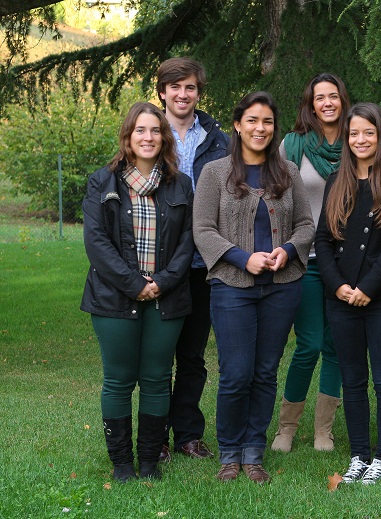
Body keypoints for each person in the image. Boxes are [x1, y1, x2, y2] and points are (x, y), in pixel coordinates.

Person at [193, 91, 314, 483]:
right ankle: (229, 452)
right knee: (235, 373)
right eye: (252, 121)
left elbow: (307, 225)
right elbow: (202, 231)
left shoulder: (288, 172)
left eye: (267, 122)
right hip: (232, 286)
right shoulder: (214, 172)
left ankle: (253, 451)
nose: (260, 128)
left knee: (265, 371)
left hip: (283, 285)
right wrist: (242, 257)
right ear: (237, 125)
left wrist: (290, 250)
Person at [82, 102, 194, 482]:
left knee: (157, 377)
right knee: (118, 378)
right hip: (114, 298)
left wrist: (161, 282)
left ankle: (148, 462)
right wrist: (134, 284)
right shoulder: (103, 182)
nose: (148, 137)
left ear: (164, 137)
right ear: (128, 137)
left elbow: (187, 241)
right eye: (140, 130)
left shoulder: (180, 184)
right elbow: (96, 243)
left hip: (167, 297)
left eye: (155, 131)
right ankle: (122, 465)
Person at [315, 102, 381, 484]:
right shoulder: (335, 179)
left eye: (368, 133)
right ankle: (359, 454)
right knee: (352, 379)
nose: (360, 139)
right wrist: (338, 285)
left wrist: (367, 288)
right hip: (339, 298)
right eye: (354, 133)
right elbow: (323, 240)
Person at [271, 73, 351, 453]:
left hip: (345, 260)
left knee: (336, 345)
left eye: (333, 96)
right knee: (309, 343)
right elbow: (274, 196)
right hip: (304, 258)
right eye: (320, 97)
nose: (327, 103)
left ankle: (324, 431)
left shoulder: (356, 141)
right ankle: (286, 428)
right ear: (311, 103)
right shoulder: (293, 144)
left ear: (342, 100)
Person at [155, 57, 229, 461]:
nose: (183, 95)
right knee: (158, 356)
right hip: (160, 264)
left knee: (192, 356)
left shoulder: (217, 139)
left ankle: (187, 434)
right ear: (162, 91)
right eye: (175, 87)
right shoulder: (149, 132)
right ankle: (156, 437)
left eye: (190, 88)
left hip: (204, 264)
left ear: (199, 92)